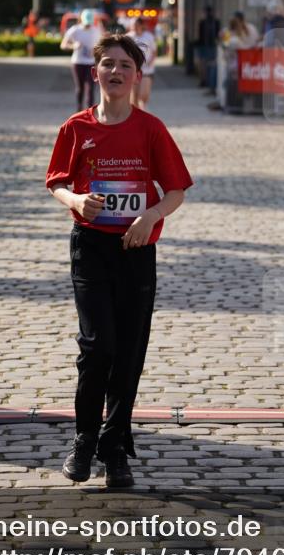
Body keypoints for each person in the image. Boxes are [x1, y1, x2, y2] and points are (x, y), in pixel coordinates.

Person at [46, 34, 192, 488]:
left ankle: (115, 448)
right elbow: (56, 181)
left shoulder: (151, 129)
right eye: (107, 64)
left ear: (136, 75)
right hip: (90, 247)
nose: (115, 71)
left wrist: (150, 216)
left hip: (136, 249)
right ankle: (84, 438)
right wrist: (76, 199)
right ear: (95, 74)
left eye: (124, 65)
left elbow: (176, 191)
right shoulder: (76, 128)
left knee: (129, 353)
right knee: (98, 348)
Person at [60, 9, 102, 112]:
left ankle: (90, 112)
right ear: (81, 20)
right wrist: (73, 45)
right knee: (80, 88)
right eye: (86, 23)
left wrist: (96, 51)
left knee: (91, 88)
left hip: (91, 63)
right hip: (78, 62)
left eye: (89, 23)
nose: (88, 25)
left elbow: (101, 46)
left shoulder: (96, 30)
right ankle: (79, 111)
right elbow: (63, 45)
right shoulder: (75, 30)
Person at [127, 17, 156, 110]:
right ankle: (135, 118)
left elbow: (154, 52)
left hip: (147, 70)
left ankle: (144, 115)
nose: (134, 27)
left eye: (136, 25)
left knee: (143, 96)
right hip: (133, 71)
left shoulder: (149, 36)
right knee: (133, 98)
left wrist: (150, 62)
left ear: (141, 25)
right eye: (132, 25)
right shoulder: (128, 37)